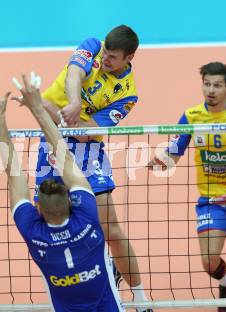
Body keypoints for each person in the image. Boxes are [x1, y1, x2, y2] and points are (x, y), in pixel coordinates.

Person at [0, 75, 125, 311]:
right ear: (70, 201)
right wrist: (37, 107)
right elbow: (64, 157)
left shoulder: (33, 232)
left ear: (39, 210)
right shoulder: (87, 214)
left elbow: (14, 173)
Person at [34, 24, 150, 307]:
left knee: (111, 231)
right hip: (52, 142)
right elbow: (74, 72)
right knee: (50, 230)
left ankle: (140, 298)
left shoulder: (127, 94)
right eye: (106, 54)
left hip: (86, 148)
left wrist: (49, 111)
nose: (105, 61)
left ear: (128, 58)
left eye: (113, 58)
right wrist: (73, 103)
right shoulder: (93, 46)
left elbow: (88, 130)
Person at [149, 62, 226, 311]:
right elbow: (174, 152)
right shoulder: (191, 116)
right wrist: (159, 162)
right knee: (208, 261)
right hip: (212, 200)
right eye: (207, 84)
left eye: (217, 85)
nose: (211, 90)